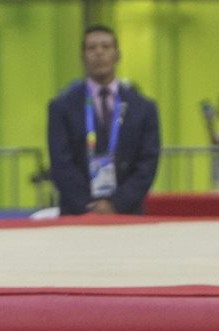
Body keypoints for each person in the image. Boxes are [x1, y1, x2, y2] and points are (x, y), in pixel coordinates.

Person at [47, 25, 161, 215]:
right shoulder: (62, 107)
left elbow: (147, 163)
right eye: (92, 48)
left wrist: (115, 204)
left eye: (105, 47)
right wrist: (88, 206)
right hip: (78, 214)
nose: (99, 53)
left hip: (128, 213)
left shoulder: (143, 107)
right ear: (83, 57)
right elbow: (61, 163)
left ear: (117, 55)